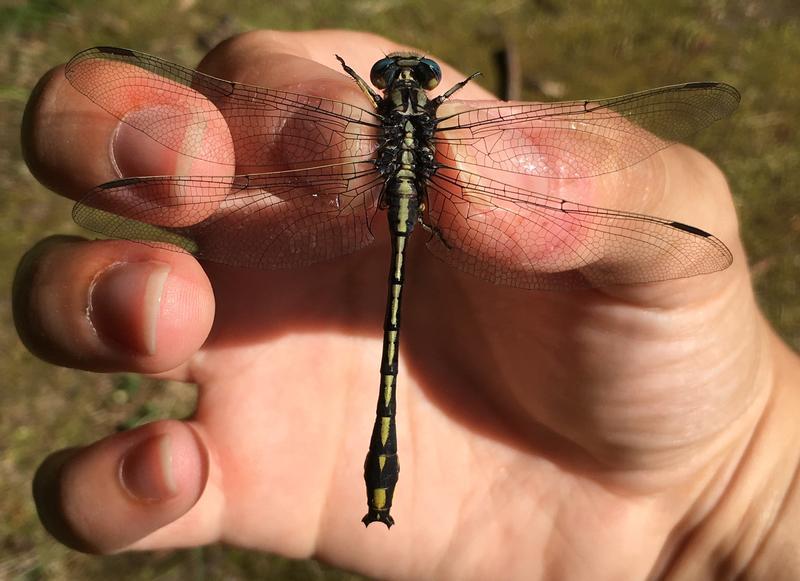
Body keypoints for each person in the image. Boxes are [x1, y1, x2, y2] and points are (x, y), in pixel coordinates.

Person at [15, 29, 800, 579]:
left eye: (407, 82)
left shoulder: (393, 121)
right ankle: (383, 484)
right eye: (405, 81)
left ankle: (376, 482)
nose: (405, 86)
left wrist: (741, 473)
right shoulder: (406, 123)